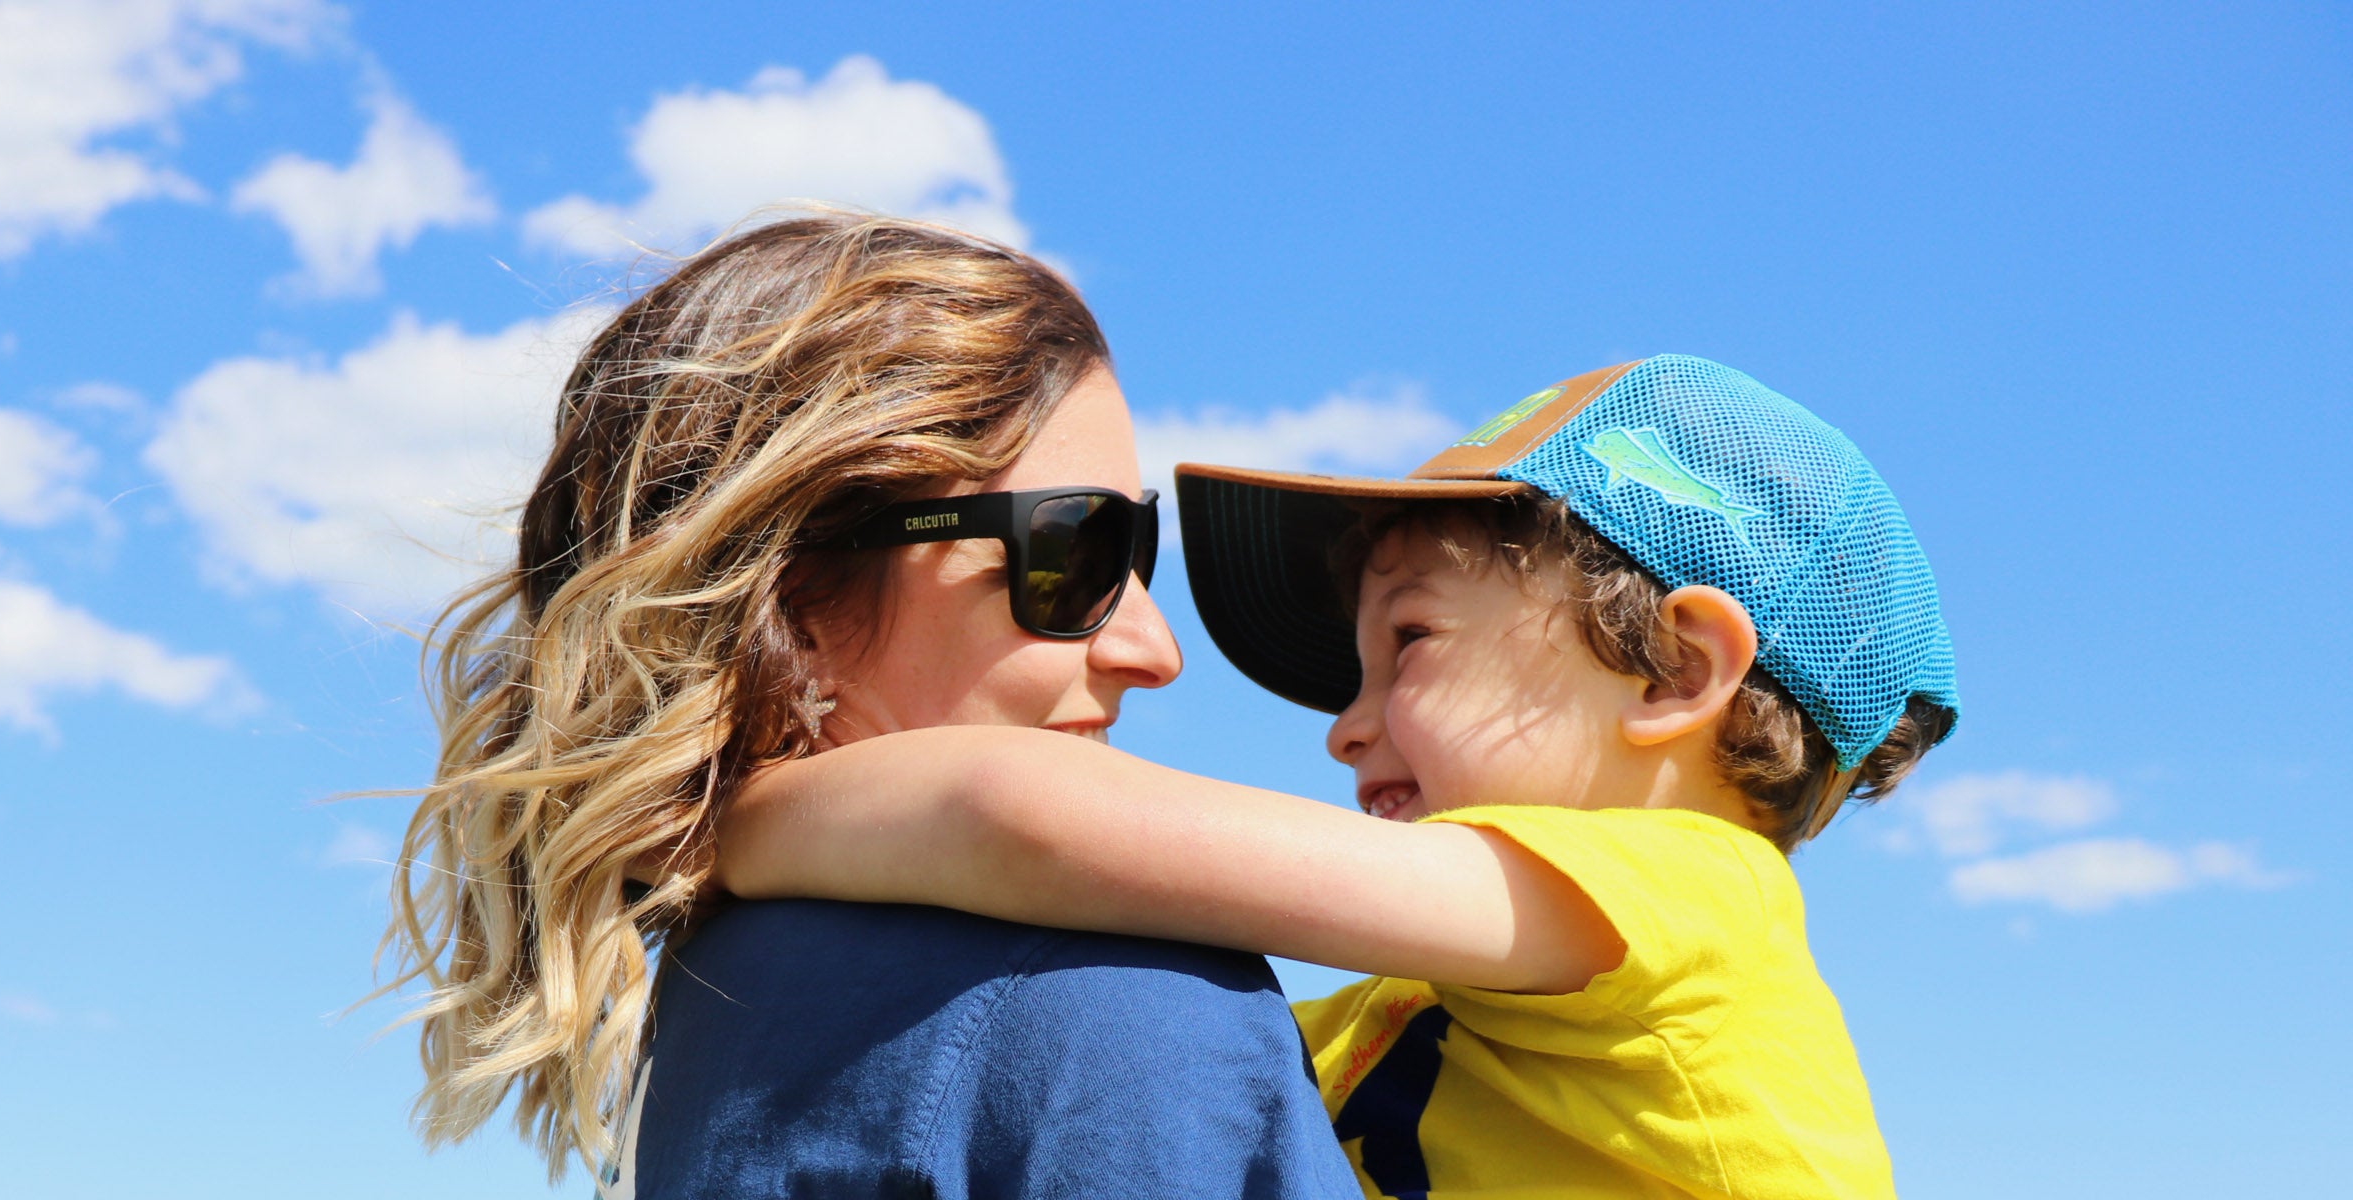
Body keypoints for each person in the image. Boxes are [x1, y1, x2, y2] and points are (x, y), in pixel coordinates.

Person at [719, 355, 1960, 1199]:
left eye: (1406, 645)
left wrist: (733, 825)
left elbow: (1026, 822)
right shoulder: (1429, 1006)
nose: (1341, 730)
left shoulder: (1700, 896)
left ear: (1676, 676)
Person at [382, 214, 1356, 1198]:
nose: (1154, 651)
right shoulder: (1106, 1006)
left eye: (1134, 553)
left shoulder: (706, 1017)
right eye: (1075, 555)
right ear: (792, 597)